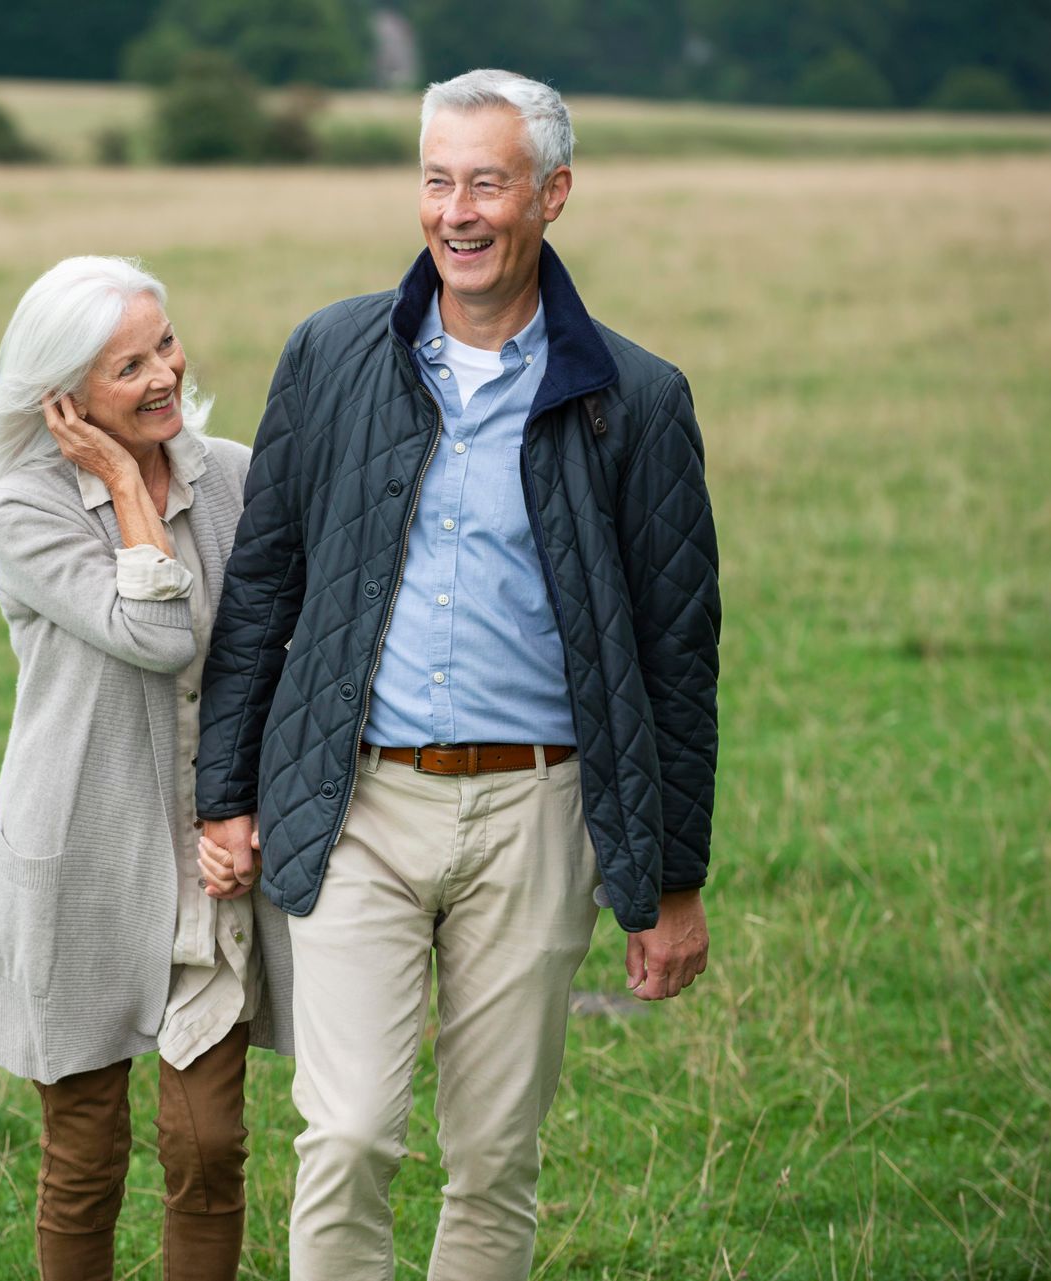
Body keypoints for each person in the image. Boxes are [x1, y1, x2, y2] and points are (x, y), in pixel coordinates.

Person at [194, 69, 721, 1280]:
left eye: (489, 180)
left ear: (554, 195)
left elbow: (676, 653)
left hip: (540, 813)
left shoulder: (635, 399)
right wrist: (226, 793)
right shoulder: (330, 355)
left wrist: (674, 880)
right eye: (437, 179)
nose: (458, 211)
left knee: (492, 1161)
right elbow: (263, 590)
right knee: (347, 1133)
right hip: (360, 802)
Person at [0, 255, 295, 1281]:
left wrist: (252, 812)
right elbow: (152, 634)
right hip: (80, 857)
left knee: (208, 1151)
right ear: (63, 398)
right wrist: (118, 481)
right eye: (129, 366)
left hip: (210, 860)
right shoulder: (25, 507)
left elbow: (282, 649)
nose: (164, 373)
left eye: (165, 343)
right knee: (85, 1157)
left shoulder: (236, 477)